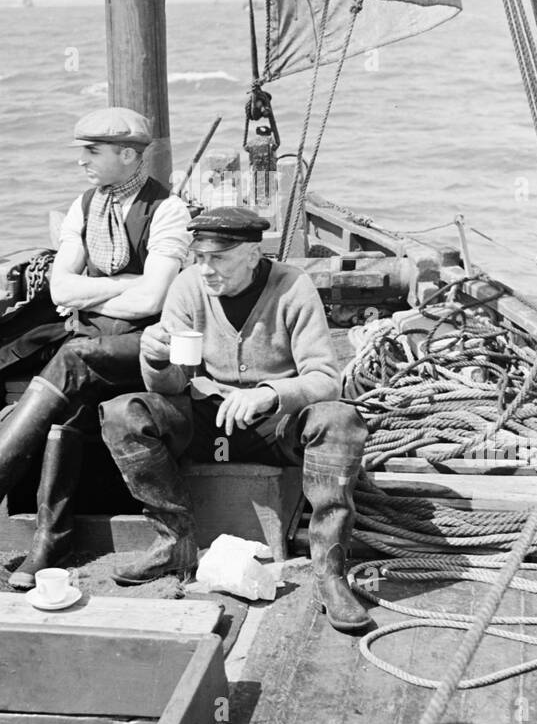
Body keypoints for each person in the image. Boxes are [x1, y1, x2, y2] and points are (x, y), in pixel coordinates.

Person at [99, 206, 371, 633]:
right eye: (199, 257)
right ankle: (174, 543)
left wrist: (268, 395)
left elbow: (325, 379)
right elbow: (169, 385)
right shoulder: (188, 286)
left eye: (218, 258)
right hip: (208, 417)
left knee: (339, 421)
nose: (205, 269)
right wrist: (153, 358)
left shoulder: (292, 286)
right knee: (123, 413)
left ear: (251, 254)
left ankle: (328, 572)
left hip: (274, 423)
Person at [0, 106, 190, 589]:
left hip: (149, 346)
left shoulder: (168, 211)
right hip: (92, 342)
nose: (82, 162)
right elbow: (60, 292)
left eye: (92, 152)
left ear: (128, 154)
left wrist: (99, 286)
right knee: (67, 408)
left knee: (70, 358)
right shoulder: (84, 206)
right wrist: (124, 283)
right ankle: (52, 539)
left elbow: (153, 300)